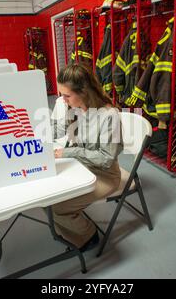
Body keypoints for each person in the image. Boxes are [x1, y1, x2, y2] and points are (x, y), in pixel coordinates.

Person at [53, 63, 123, 252]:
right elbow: (61, 129)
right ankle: (73, 233)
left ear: (83, 91)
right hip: (82, 167)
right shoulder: (75, 108)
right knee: (51, 196)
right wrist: (35, 136)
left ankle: (88, 236)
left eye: (66, 95)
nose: (63, 100)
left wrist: (68, 152)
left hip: (105, 175)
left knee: (58, 208)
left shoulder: (109, 115)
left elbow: (106, 159)